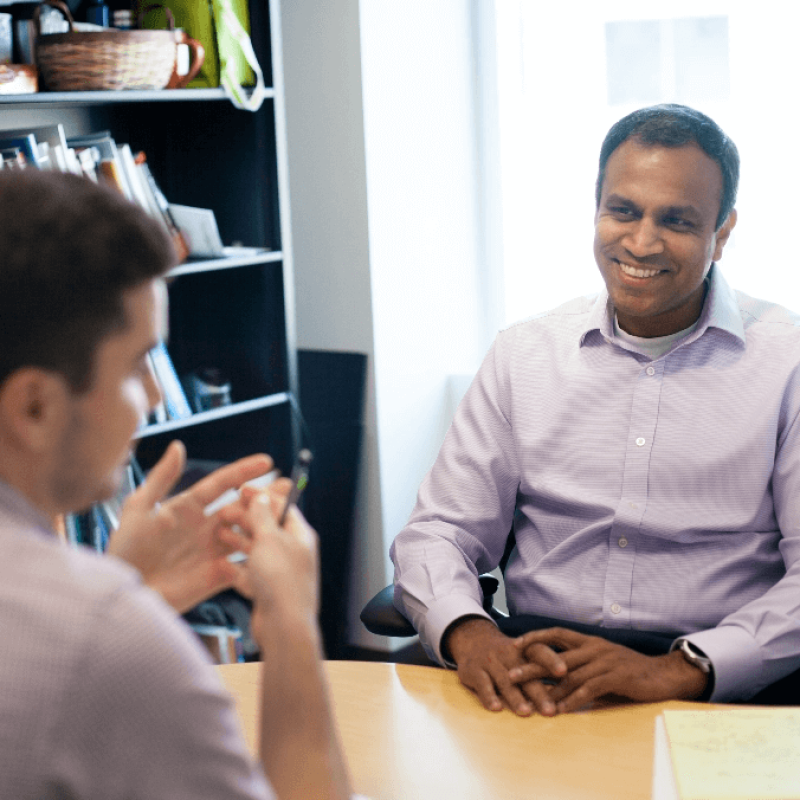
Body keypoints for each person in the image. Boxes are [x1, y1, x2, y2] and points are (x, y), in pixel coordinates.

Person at [391, 103, 800, 717]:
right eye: (623, 211)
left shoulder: (788, 364)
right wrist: (470, 635)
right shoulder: (524, 354)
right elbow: (439, 532)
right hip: (537, 677)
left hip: (712, 688)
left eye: (677, 220)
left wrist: (679, 669)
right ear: (597, 209)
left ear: (722, 233)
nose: (641, 242)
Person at [0, 169, 356, 800]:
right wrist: (291, 624)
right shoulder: (106, 637)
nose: (156, 397)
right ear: (34, 407)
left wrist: (125, 585)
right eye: (139, 363)